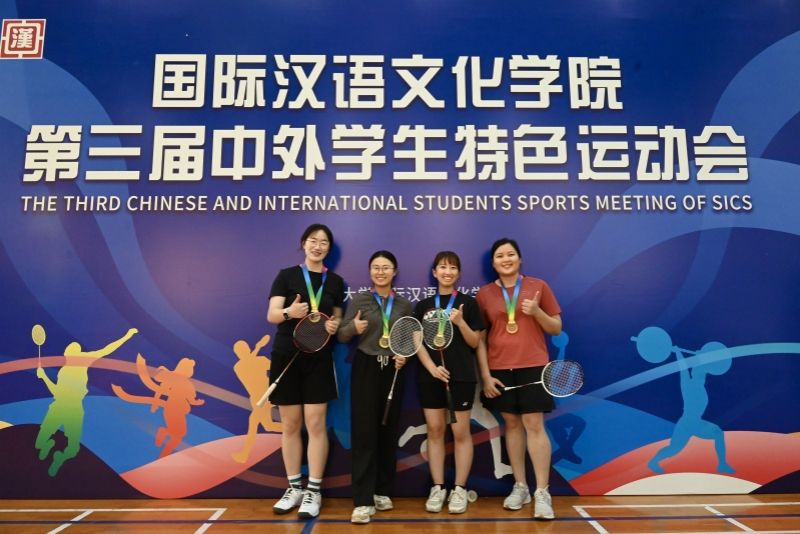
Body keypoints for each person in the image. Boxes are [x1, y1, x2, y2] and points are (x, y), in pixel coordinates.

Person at [476, 238, 562, 520]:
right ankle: (521, 486)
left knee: (534, 425)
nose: (506, 259)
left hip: (533, 365)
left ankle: (542, 492)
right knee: (511, 425)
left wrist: (537, 312)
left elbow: (556, 328)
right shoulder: (484, 294)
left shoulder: (538, 286)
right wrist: (485, 376)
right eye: (500, 256)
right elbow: (480, 339)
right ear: (493, 263)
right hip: (500, 368)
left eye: (511, 254)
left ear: (520, 259)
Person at [266, 223, 344, 519]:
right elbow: (272, 315)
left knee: (315, 424)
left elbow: (336, 319)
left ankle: (313, 490)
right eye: (313, 240)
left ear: (328, 248)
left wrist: (334, 326)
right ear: (303, 243)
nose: (318, 246)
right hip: (287, 357)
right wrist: (290, 312)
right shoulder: (286, 276)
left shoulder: (335, 282)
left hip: (319, 359)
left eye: (323, 242)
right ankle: (294, 488)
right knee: (290, 425)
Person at [337, 250, 413, 524]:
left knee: (387, 429)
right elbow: (341, 334)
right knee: (364, 431)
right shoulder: (360, 299)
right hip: (366, 366)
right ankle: (362, 500)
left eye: (386, 267)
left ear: (395, 272)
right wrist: (353, 328)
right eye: (376, 268)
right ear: (370, 272)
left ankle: (382, 491)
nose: (381, 272)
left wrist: (405, 355)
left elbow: (409, 337)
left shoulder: (403, 304)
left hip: (394, 367)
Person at [414, 251, 484, 513]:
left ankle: (460, 489)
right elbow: (417, 342)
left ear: (459, 273)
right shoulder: (423, 305)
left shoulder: (468, 303)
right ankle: (438, 487)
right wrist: (432, 368)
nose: (447, 272)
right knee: (434, 431)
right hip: (430, 376)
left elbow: (475, 342)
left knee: (460, 433)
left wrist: (461, 323)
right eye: (442, 267)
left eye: (453, 268)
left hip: (462, 376)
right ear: (434, 272)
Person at [36, 328, 138, 476]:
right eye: (67, 351)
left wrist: (126, 336)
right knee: (44, 444)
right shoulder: (63, 371)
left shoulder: (82, 361)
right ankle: (50, 446)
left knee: (71, 449)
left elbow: (107, 349)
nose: (67, 353)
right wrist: (44, 376)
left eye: (70, 350)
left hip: (69, 408)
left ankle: (58, 456)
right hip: (62, 407)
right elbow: (56, 392)